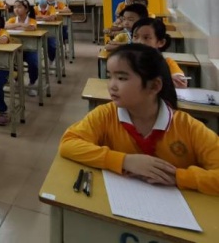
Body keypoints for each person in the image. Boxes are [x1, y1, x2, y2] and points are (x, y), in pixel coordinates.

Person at [59, 44, 219, 195]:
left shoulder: (187, 126)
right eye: (110, 77)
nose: (111, 86)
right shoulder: (106, 114)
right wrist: (124, 161)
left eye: (122, 78)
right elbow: (68, 143)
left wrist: (179, 177)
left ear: (154, 86)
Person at [132, 18, 187, 88]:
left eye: (146, 38)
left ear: (161, 42)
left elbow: (181, 82)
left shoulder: (167, 63)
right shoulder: (126, 61)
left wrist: (175, 80)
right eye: (135, 37)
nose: (139, 42)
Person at [5, 0, 39, 97]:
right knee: (7, 61)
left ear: (26, 9)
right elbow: (5, 26)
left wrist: (15, 26)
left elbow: (31, 27)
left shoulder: (32, 20)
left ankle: (32, 83)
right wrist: (20, 24)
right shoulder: (12, 19)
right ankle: (17, 79)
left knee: (33, 63)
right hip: (15, 49)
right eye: (15, 7)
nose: (16, 9)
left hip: (29, 49)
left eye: (19, 7)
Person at [34, 0, 58, 64]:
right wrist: (46, 17)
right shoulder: (34, 8)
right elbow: (32, 18)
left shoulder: (51, 8)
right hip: (37, 33)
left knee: (52, 45)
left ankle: (51, 59)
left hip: (49, 33)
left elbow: (52, 18)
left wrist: (39, 17)